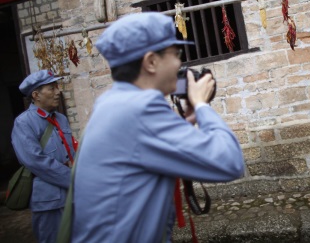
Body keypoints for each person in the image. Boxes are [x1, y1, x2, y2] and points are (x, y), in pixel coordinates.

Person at [71, 12, 245, 242]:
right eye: (176, 54)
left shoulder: (112, 101)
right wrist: (202, 106)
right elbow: (230, 162)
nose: (180, 64)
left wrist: (185, 122)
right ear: (151, 62)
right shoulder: (141, 109)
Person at [11, 70, 77, 242]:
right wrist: (74, 180)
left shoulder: (61, 119)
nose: (58, 92)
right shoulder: (24, 122)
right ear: (36, 95)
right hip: (49, 200)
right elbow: (35, 161)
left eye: (57, 86)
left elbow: (71, 151)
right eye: (52, 88)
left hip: (73, 196)